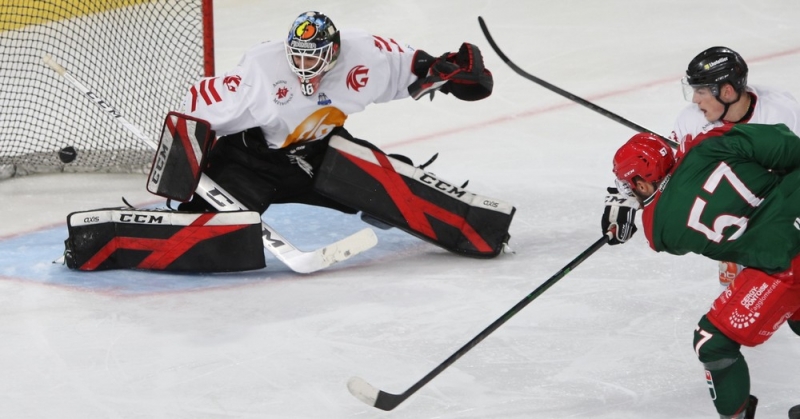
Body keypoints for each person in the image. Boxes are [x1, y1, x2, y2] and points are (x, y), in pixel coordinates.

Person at [173, 11, 510, 256]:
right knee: (209, 234)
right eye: (298, 58)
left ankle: (478, 229)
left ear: (333, 51)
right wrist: (182, 169)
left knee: (393, 185)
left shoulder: (363, 54)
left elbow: (414, 67)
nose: (304, 67)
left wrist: (448, 74)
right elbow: (197, 108)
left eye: (313, 58)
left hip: (323, 154)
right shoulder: (261, 69)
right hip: (250, 162)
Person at [601, 125, 800, 419]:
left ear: (642, 183)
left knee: (713, 342)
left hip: (786, 257)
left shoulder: (660, 229)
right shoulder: (710, 144)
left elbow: (664, 214)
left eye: (631, 186)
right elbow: (787, 146)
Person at [670, 46, 800, 286]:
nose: (695, 100)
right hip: (733, 217)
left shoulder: (781, 112)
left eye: (701, 91)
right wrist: (624, 194)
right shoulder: (692, 120)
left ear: (727, 91)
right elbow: (667, 171)